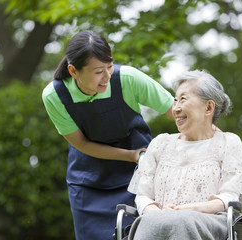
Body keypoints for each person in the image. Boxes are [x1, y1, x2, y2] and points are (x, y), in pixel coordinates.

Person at [42, 30, 174, 239]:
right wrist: (128, 155)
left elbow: (180, 112)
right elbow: (82, 144)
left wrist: (224, 141)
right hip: (88, 179)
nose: (107, 77)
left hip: (139, 171)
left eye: (109, 67)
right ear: (73, 71)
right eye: (98, 71)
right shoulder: (55, 96)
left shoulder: (128, 79)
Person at [127, 70, 242, 240]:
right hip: (159, 220)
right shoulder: (160, 144)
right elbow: (143, 196)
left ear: (208, 107)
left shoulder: (228, 143)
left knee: (183, 221)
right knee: (151, 221)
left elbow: (228, 197)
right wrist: (160, 214)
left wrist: (184, 211)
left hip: (210, 223)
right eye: (175, 101)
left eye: (183, 99)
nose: (176, 108)